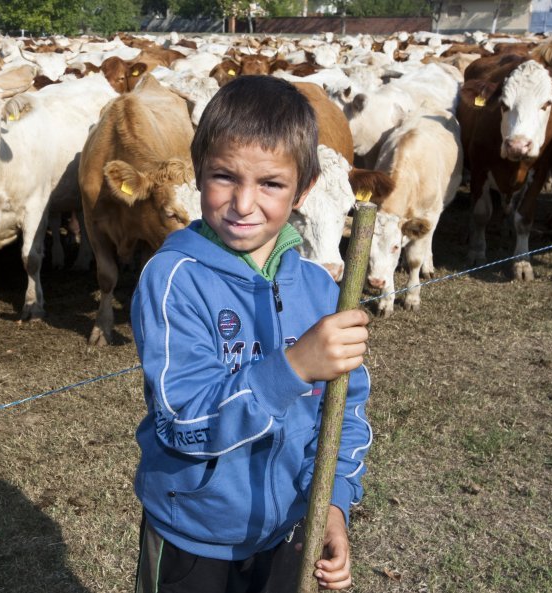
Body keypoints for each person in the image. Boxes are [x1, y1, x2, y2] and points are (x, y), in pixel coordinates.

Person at [130, 75, 372, 593]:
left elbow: (346, 408)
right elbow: (181, 422)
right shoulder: (173, 279)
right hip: (192, 534)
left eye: (270, 184)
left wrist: (331, 501)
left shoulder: (318, 289)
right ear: (197, 174)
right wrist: (292, 368)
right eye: (224, 177)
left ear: (303, 189)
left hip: (287, 527)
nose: (243, 204)